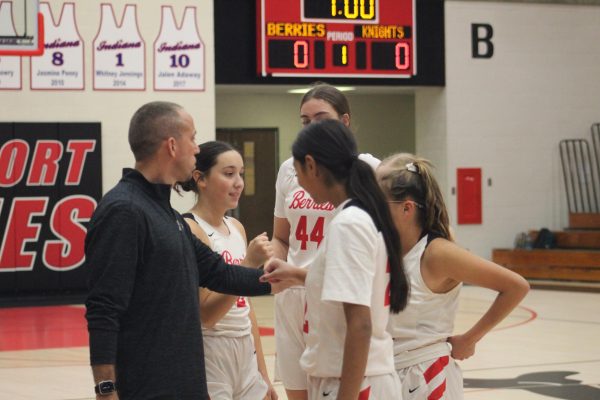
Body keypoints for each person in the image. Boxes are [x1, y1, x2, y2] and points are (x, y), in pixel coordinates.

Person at [84, 102, 286, 400]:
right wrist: (106, 388)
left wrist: (298, 277)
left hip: (185, 382)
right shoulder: (124, 210)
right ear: (172, 145)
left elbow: (223, 274)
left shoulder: (167, 215)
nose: (196, 148)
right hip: (145, 385)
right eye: (192, 138)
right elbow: (104, 308)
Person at [262, 119, 409, 399]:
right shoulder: (358, 215)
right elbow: (351, 285)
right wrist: (297, 274)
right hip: (360, 379)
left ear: (311, 165)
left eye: (298, 173)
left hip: (354, 382)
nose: (300, 185)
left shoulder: (348, 223)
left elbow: (360, 323)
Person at [376, 153, 530, 399]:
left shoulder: (437, 253)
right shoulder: (383, 247)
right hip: (386, 372)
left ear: (407, 207)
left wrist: (470, 338)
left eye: (376, 202)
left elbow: (516, 286)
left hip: (426, 373)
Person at [271, 82, 379, 400]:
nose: (312, 127)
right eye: (306, 121)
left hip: (337, 294)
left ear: (344, 122)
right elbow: (281, 236)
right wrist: (272, 259)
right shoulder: (289, 170)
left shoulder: (369, 169)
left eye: (322, 118)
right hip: (292, 295)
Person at [177, 141, 278, 400]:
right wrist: (247, 266)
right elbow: (207, 315)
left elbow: (247, 309)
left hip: (245, 351)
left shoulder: (236, 227)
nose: (238, 183)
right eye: (229, 173)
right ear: (200, 179)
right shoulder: (190, 229)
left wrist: (263, 374)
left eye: (241, 174)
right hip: (211, 351)